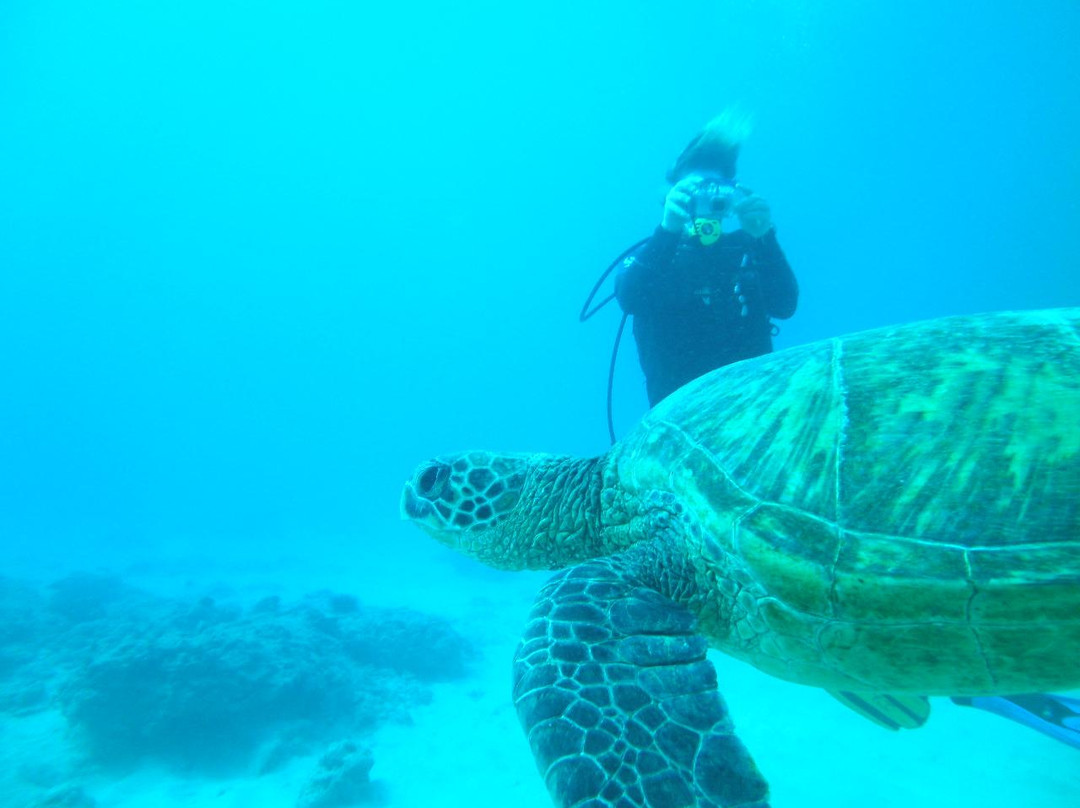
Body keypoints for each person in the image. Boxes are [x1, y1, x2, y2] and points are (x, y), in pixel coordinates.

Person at [615, 110, 798, 406]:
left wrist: (765, 237)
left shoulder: (747, 249)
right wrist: (667, 232)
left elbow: (785, 305)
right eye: (695, 190)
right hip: (679, 412)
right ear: (673, 195)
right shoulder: (651, 258)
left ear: (731, 195)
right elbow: (630, 298)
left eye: (716, 189)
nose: (707, 200)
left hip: (755, 403)